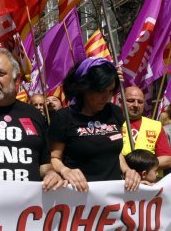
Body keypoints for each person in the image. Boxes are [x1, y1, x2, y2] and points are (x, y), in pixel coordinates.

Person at [0, 48, 65, 191]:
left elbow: (43, 164)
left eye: (0, 73)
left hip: (27, 209)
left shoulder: (35, 115)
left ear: (16, 79)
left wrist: (51, 174)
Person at [48, 57, 140, 192]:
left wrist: (127, 170)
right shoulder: (64, 117)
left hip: (113, 196)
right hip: (79, 197)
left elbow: (115, 152)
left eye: (110, 91)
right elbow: (54, 158)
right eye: (101, 91)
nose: (107, 97)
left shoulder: (115, 112)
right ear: (85, 88)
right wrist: (65, 170)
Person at [122, 86, 171, 174]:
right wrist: (126, 168)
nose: (136, 105)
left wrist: (143, 166)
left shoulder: (155, 125)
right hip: (119, 182)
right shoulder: (112, 124)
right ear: (121, 102)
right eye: (130, 101)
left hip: (149, 184)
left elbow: (167, 159)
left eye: (140, 102)